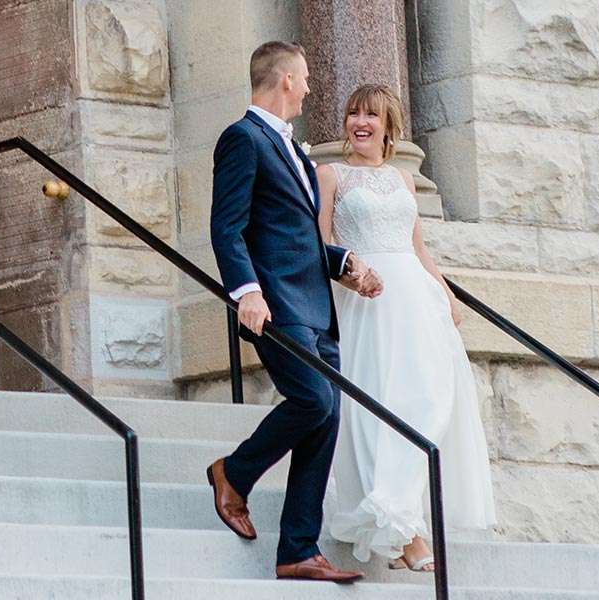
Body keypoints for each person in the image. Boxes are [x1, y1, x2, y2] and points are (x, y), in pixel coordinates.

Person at [204, 40, 382, 584]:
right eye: (304, 78)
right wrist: (247, 293)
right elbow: (227, 227)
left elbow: (291, 235)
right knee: (313, 399)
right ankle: (232, 472)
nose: (308, 88)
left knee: (326, 414)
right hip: (277, 305)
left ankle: (298, 550)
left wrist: (343, 261)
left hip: (315, 305)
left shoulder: (295, 151)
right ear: (284, 80)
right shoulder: (243, 139)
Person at [317, 83, 497, 572]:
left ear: (387, 126)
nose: (361, 122)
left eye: (371, 115)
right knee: (380, 405)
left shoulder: (401, 181)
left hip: (415, 302)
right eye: (354, 113)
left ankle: (403, 524)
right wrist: (350, 277)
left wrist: (446, 293)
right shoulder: (330, 175)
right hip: (365, 303)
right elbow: (318, 246)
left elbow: (418, 249)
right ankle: (405, 533)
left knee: (426, 403)